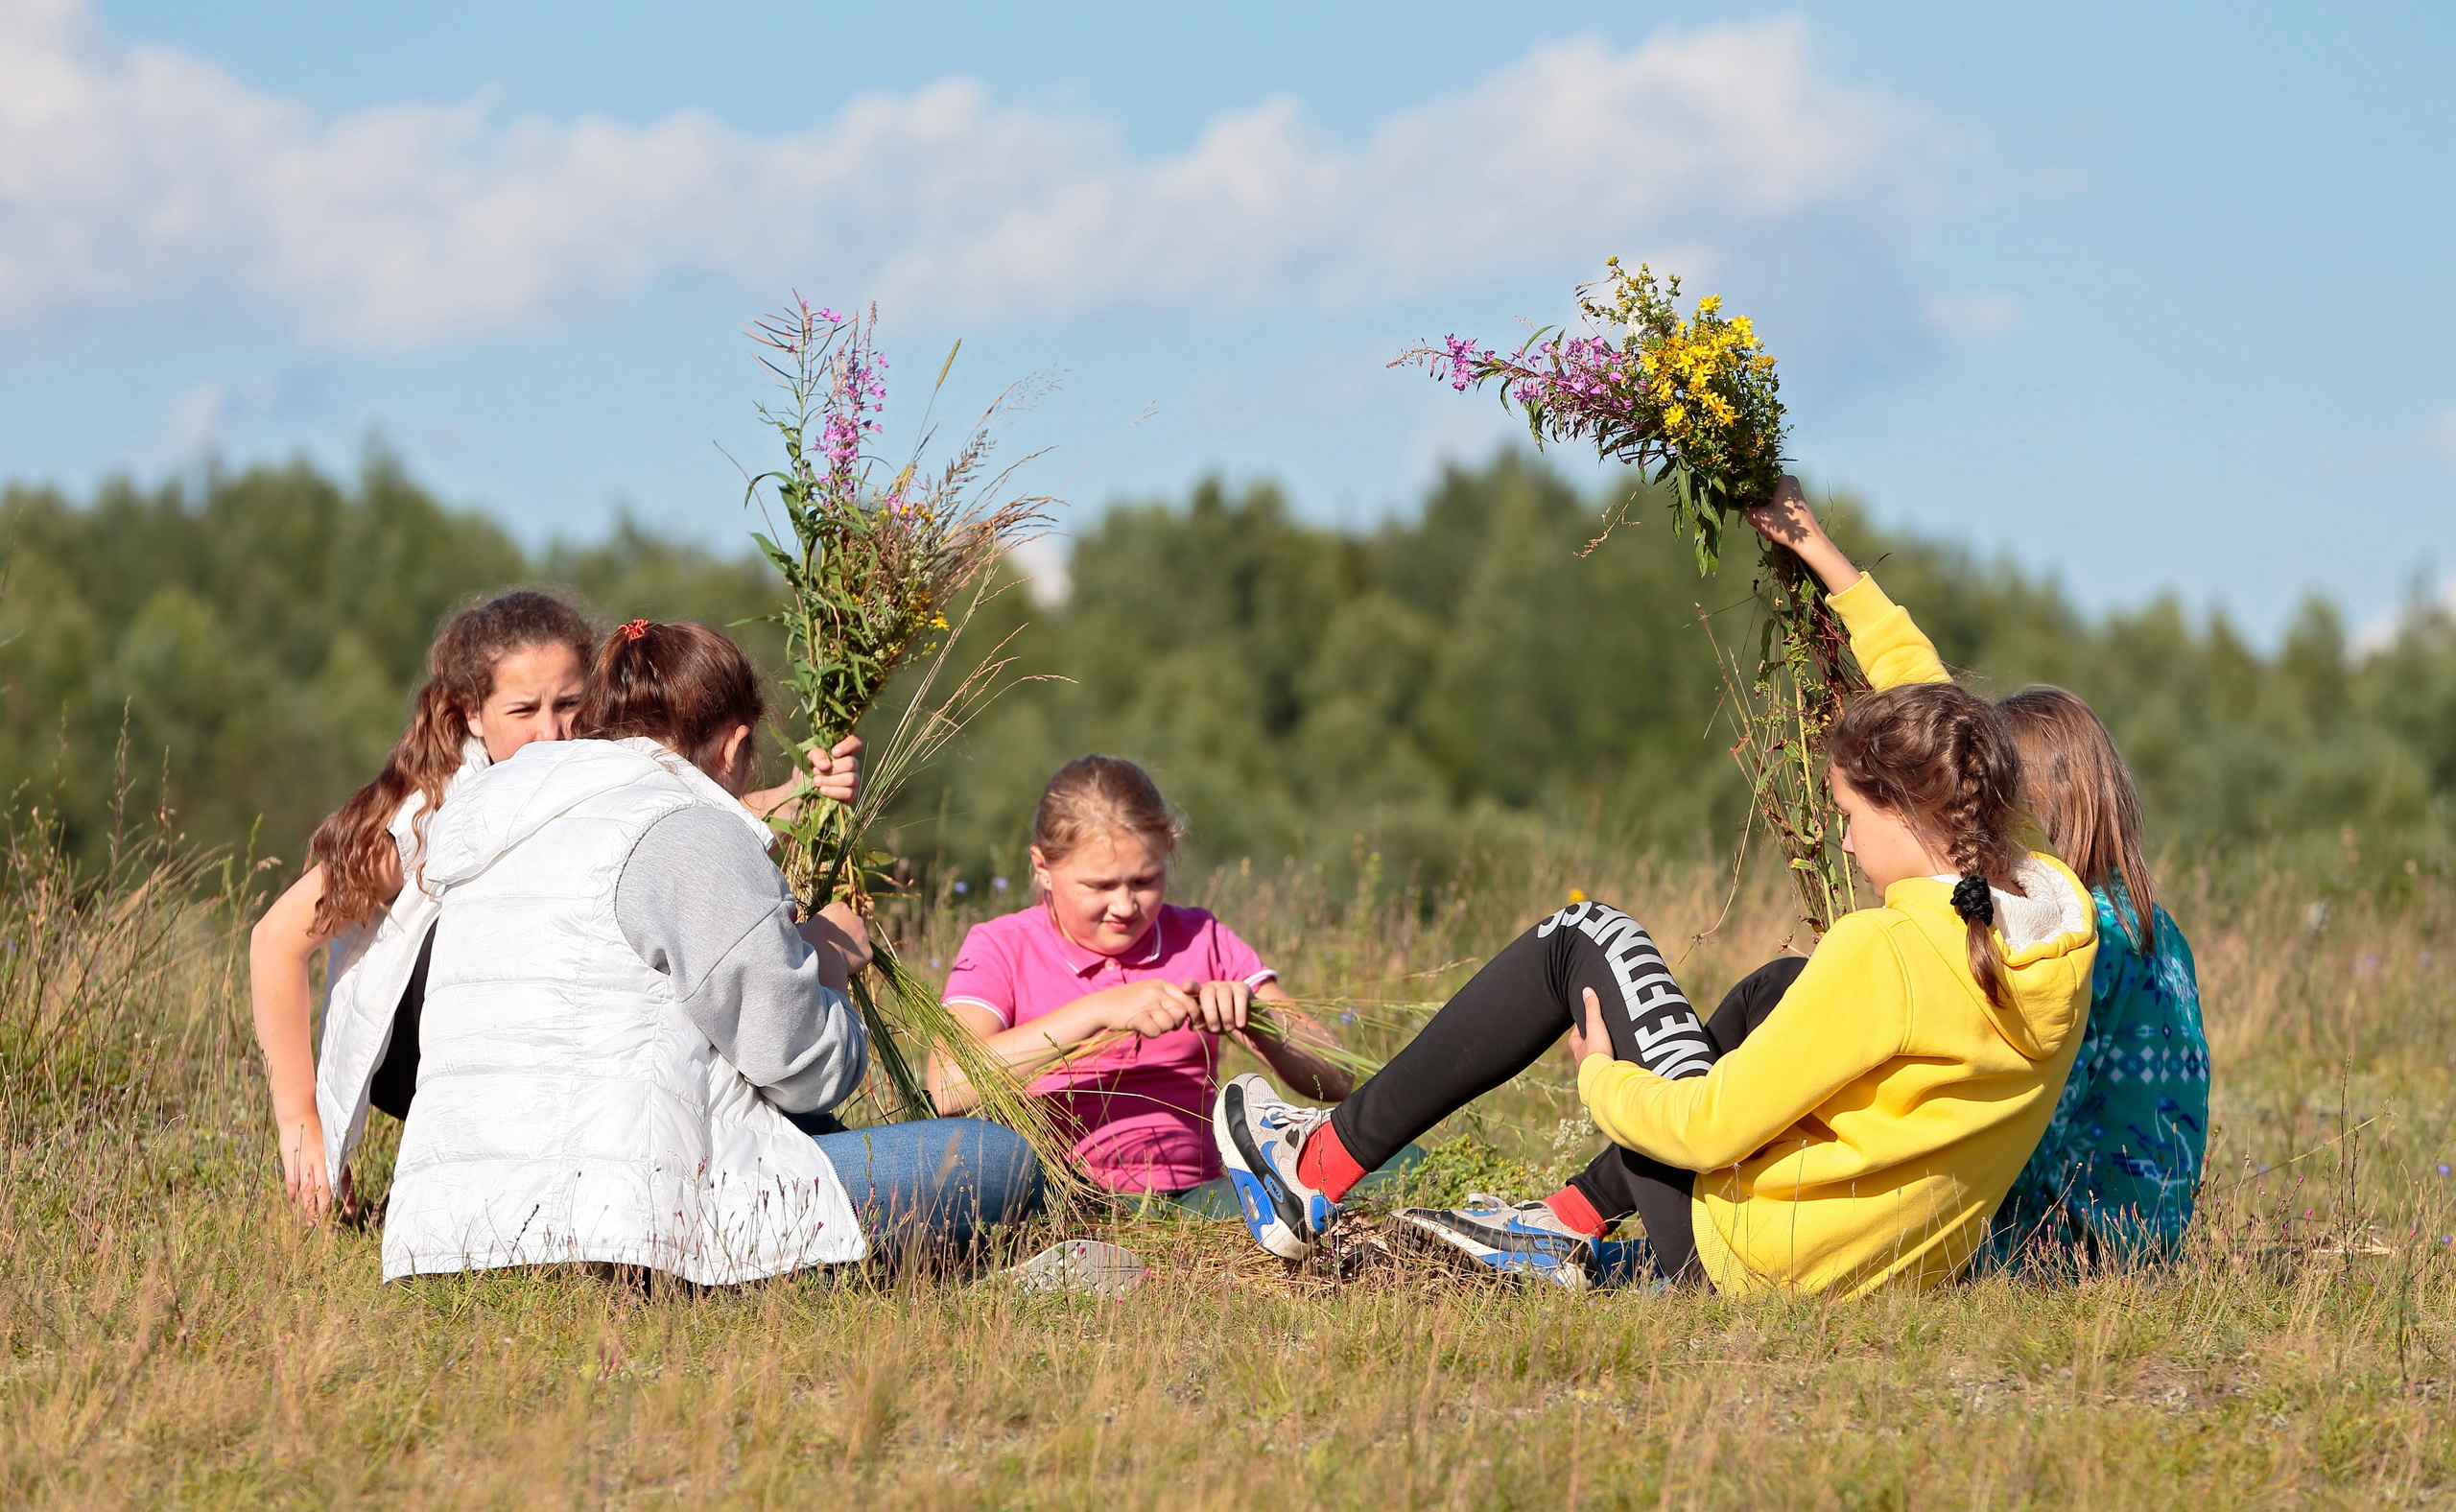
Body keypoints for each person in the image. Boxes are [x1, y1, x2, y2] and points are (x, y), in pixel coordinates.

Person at [1218, 477, 2100, 1298]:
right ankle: (1564, 1224)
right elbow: (1937, 704)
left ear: (1909, 810)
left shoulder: (1890, 953)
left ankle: (1313, 1168)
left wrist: (1600, 1080)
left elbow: (1714, 1127)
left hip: (1750, 1256)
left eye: (1848, 816)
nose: (1843, 838)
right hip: (1870, 1270)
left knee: (1582, 936)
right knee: (1778, 994)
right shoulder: (2047, 903)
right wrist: (1821, 553)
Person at [380, 620, 1040, 1284]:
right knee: (997, 1160)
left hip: (448, 1235)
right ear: (735, 743)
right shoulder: (691, 830)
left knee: (812, 1129)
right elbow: (803, 1069)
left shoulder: (502, 819)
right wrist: (829, 962)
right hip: (615, 1230)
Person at [250, 593, 857, 1221]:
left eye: (570, 705)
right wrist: (302, 1120)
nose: (552, 731)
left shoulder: (581, 774)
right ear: (472, 714)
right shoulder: (428, 816)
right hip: (427, 1040)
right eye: (524, 709)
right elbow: (275, 941)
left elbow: (668, 841)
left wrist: (802, 793)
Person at [928, 755, 1359, 1209]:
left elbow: (1334, 1080)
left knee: (1388, 1157)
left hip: (1198, 1197)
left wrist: (1256, 1016)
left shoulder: (1201, 937)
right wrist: (1099, 1010)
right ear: (1042, 867)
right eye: (1099, 886)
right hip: (1056, 1199)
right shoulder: (1001, 945)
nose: (1125, 905)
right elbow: (948, 1085)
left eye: (1145, 880)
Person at [1988, 686, 2209, 1269]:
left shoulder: (2082, 941)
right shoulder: (2158, 929)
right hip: (2154, 1236)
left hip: (2074, 1241)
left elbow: (2046, 1108)